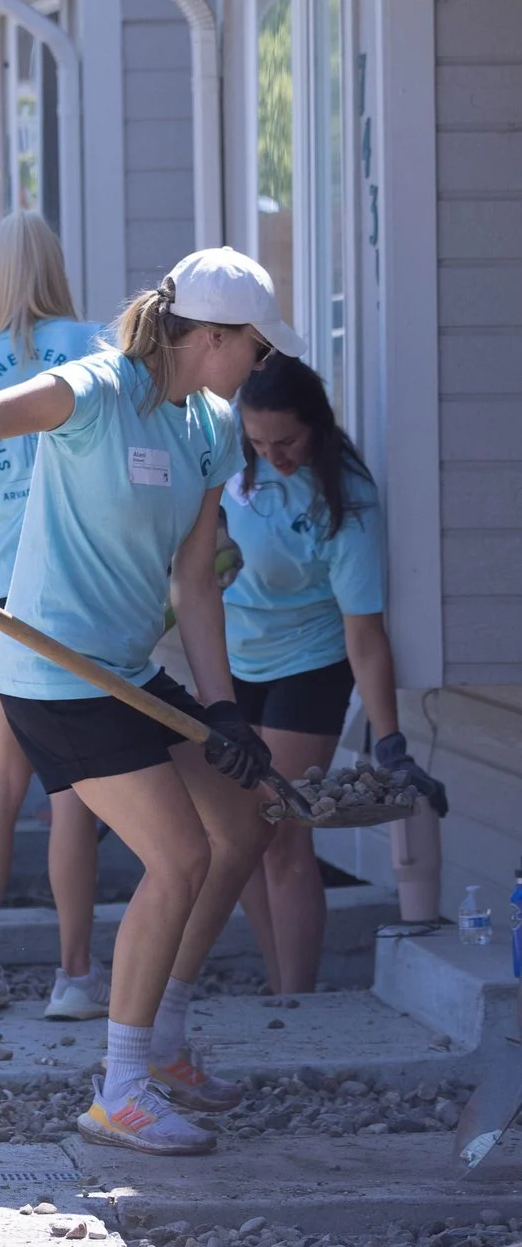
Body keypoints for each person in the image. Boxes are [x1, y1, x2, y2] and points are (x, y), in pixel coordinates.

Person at [0, 247, 294, 1156]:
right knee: (176, 860)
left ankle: (161, 1041)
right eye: (253, 343)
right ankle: (120, 1091)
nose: (261, 360)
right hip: (53, 678)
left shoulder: (210, 425)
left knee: (244, 826)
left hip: (125, 670)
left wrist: (223, 710)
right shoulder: (91, 391)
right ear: (208, 337)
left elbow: (196, 582)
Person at [222, 353, 447, 995]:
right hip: (236, 657)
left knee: (283, 833)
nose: (274, 456)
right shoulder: (234, 461)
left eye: (286, 441)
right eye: (259, 442)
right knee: (241, 841)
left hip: (309, 662)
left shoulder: (345, 499)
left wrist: (391, 741)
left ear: (315, 425)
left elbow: (365, 635)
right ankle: (279, 988)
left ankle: (299, 1001)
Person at [0, 213, 105, 1023]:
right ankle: (75, 977)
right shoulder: (103, 351)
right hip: (87, 594)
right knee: (74, 786)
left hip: (1, 597)